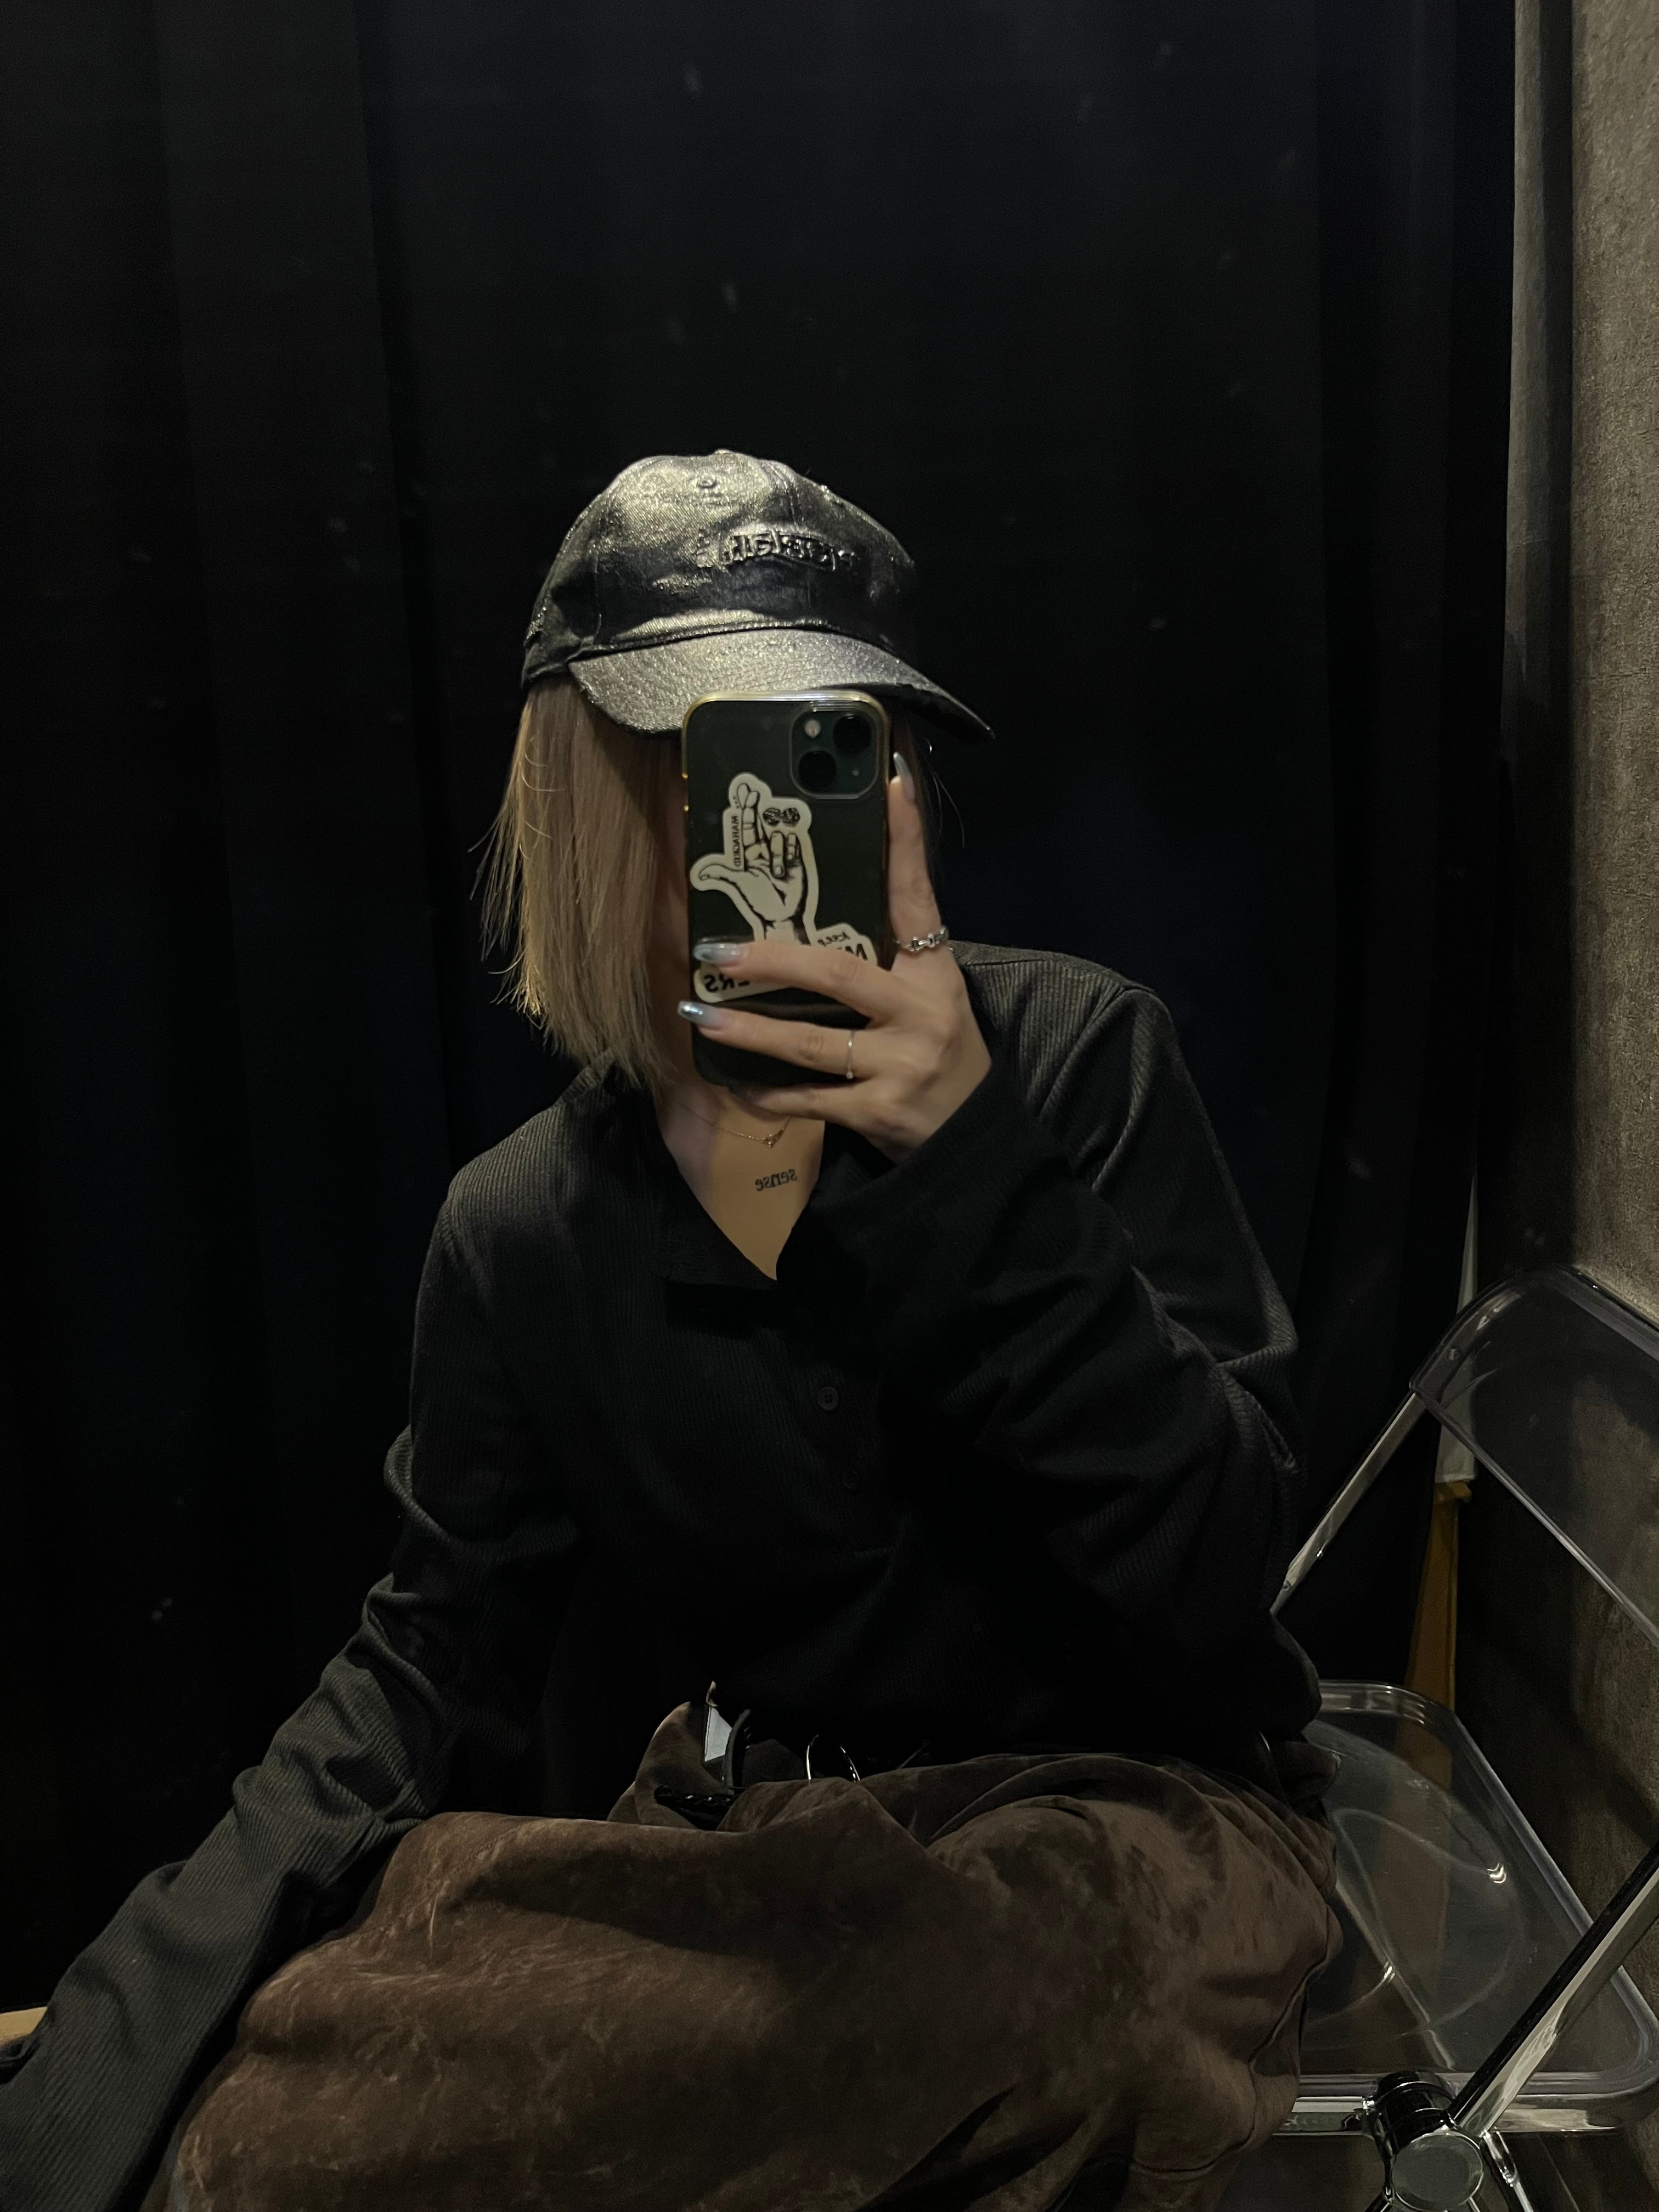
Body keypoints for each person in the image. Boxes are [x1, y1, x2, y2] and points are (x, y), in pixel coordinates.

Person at [0, 450, 1338, 2212]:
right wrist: (93, 2065)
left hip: (1138, 1831)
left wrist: (971, 1170)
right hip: (762, 1861)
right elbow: (423, 1676)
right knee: (283, 2088)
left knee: (1044, 1995)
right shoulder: (526, 1227)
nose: (767, 832)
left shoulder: (1078, 1063)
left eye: (831, 751)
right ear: (580, 794)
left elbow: (1221, 1588)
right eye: (708, 760)